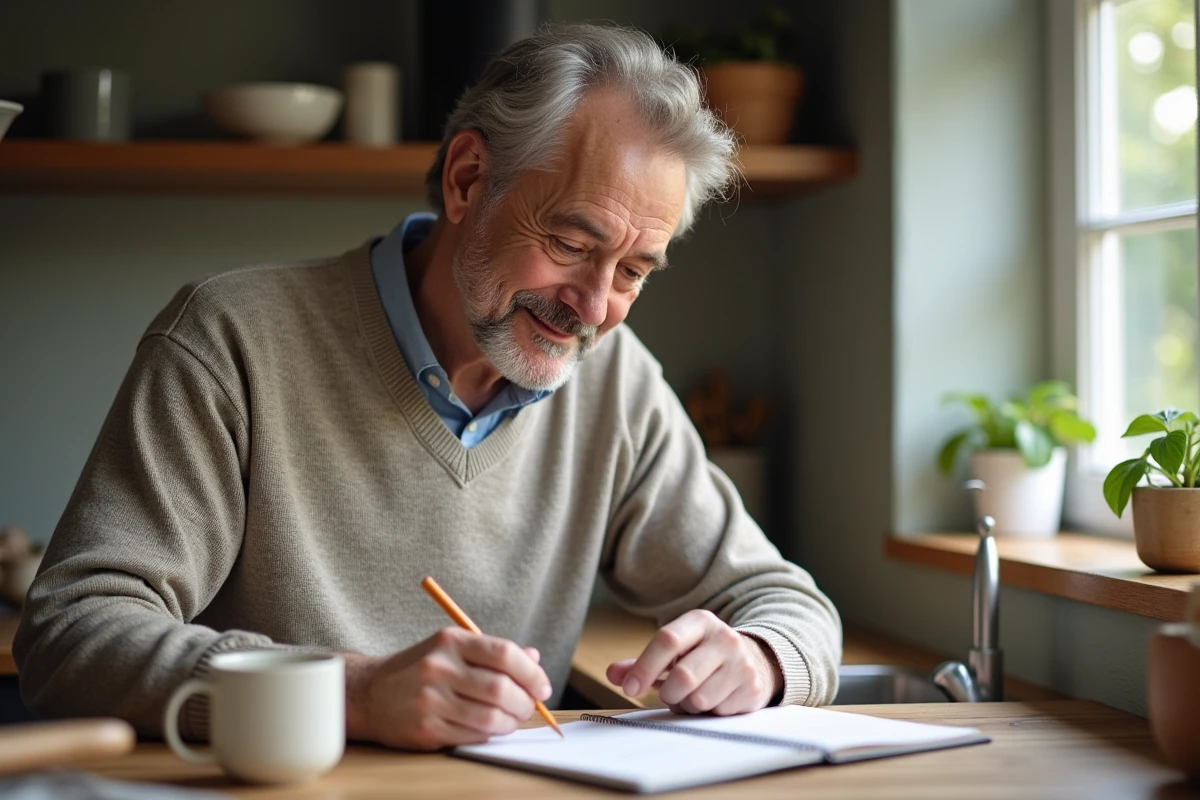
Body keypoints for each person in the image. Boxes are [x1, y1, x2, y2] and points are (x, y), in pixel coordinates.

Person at [14, 23, 841, 750]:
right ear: (467, 180)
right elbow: (70, 636)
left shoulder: (615, 383)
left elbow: (786, 605)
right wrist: (353, 694)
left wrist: (761, 658)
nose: (593, 307)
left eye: (632, 270)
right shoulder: (230, 340)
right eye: (567, 242)